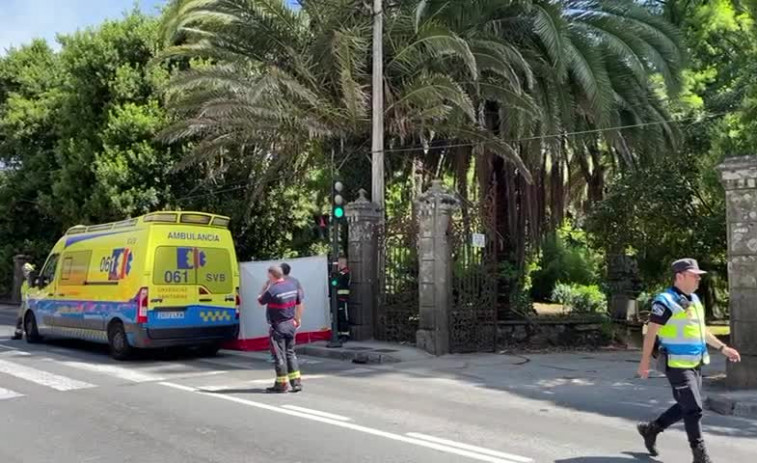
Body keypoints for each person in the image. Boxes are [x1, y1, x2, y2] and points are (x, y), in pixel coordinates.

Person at [636, 258, 741, 463]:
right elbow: (650, 334)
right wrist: (644, 363)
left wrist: (723, 348)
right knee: (694, 407)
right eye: (694, 275)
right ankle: (700, 455)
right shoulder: (664, 301)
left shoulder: (694, 299)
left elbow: (702, 331)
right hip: (676, 364)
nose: (697, 279)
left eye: (698, 276)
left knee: (688, 405)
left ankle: (652, 429)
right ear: (679, 276)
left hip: (695, 363)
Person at [258, 265, 302, 393]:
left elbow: (260, 301)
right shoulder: (292, 286)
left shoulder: (273, 290)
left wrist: (264, 288)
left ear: (272, 275)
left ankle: (282, 385)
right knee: (290, 353)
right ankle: (296, 383)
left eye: (268, 275)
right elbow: (299, 304)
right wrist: (297, 320)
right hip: (290, 324)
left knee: (279, 355)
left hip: (278, 326)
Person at [12, 263, 35, 340]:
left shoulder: (32, 281)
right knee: (20, 318)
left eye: (26, 271)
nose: (25, 272)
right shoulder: (25, 282)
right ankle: (18, 333)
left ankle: (29, 334)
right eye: (24, 271)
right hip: (24, 302)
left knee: (26, 319)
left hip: (29, 302)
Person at [335, 256, 350, 339]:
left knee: (343, 316)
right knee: (339, 316)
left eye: (339, 262)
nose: (338, 264)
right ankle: (340, 333)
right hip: (338, 298)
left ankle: (345, 334)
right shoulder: (341, 272)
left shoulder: (345, 271)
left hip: (343, 298)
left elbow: (336, 280)